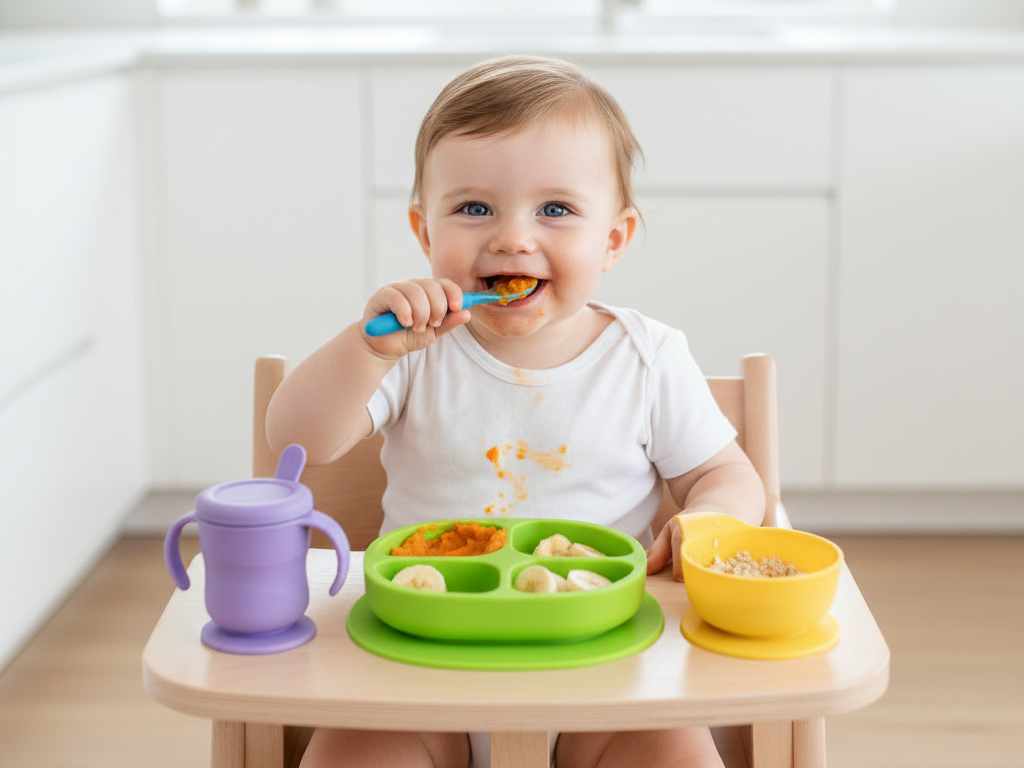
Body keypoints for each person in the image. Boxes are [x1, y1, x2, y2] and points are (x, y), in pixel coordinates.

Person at [266, 54, 766, 768]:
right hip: (417, 663)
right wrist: (368, 350)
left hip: (606, 669)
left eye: (555, 210)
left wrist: (712, 519)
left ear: (614, 238)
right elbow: (296, 440)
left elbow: (728, 472)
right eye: (474, 208)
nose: (512, 237)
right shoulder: (415, 350)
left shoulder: (648, 358)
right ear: (423, 230)